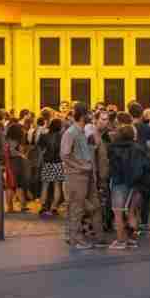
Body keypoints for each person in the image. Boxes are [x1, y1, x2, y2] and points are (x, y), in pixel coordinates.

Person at [60, 104, 105, 249]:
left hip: (86, 174)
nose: (91, 117)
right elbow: (65, 155)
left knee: (88, 205)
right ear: (82, 115)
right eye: (89, 114)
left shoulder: (81, 132)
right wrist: (81, 166)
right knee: (76, 207)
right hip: (77, 175)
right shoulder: (71, 132)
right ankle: (76, 239)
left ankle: (89, 236)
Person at [106, 124, 148, 249]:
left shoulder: (112, 148)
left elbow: (112, 166)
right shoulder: (139, 148)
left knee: (118, 213)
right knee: (131, 212)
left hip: (119, 182)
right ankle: (131, 239)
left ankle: (120, 240)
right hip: (136, 183)